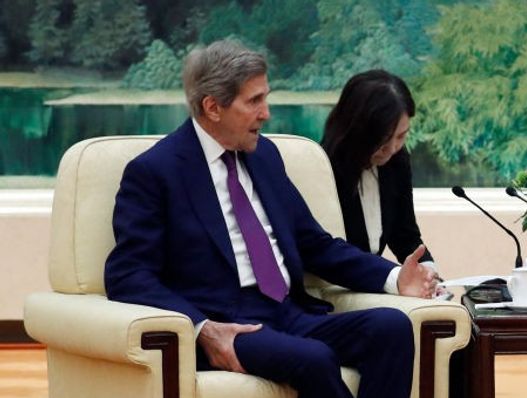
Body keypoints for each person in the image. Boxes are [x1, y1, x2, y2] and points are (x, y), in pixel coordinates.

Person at [103, 40, 438, 398]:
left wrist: (393, 278)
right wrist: (203, 328)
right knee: (314, 358)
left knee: (392, 327)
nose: (266, 113)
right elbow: (128, 274)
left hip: (288, 312)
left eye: (266, 98)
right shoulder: (155, 172)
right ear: (213, 107)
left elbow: (314, 244)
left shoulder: (264, 155)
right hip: (231, 325)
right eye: (254, 101)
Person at [321, 70, 436, 267]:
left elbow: (405, 236)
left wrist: (429, 274)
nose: (391, 149)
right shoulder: (323, 168)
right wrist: (394, 278)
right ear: (357, 130)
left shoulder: (397, 161)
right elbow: (332, 254)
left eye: (401, 136)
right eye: (382, 140)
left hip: (376, 283)